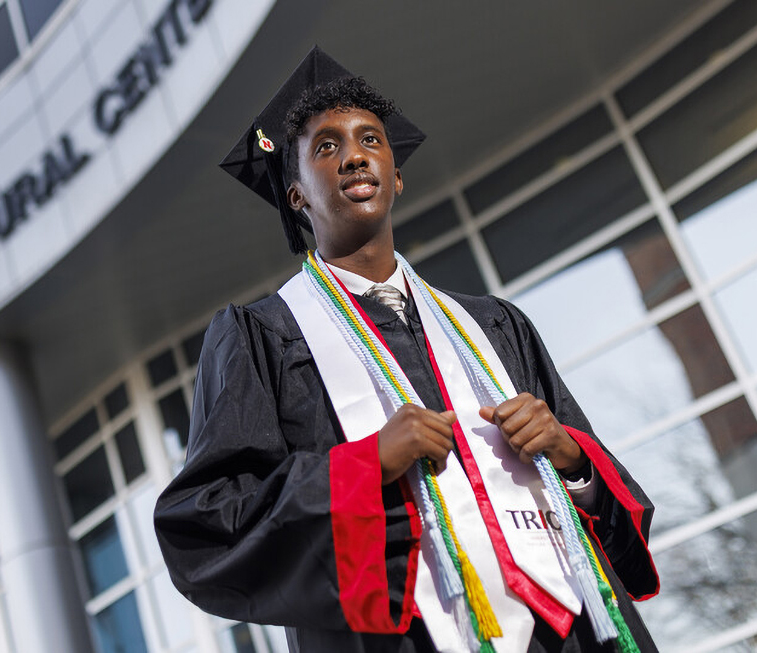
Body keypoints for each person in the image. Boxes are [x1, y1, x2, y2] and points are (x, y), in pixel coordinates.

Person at [154, 47, 659, 653]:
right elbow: (208, 527)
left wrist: (569, 457)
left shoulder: (494, 325)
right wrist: (364, 468)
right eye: (326, 147)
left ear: (396, 174)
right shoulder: (260, 337)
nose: (353, 154)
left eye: (370, 138)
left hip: (573, 633)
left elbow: (616, 512)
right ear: (295, 196)